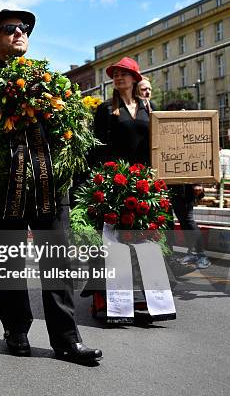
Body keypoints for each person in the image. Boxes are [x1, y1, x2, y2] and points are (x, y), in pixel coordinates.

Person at [0, 9, 102, 363]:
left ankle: (67, 340)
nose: (19, 33)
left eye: (23, 29)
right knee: (12, 263)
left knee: (58, 262)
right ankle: (16, 331)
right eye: (10, 29)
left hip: (50, 184)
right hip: (5, 188)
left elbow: (70, 125)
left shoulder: (49, 77)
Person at [86, 57, 153, 317]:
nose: (118, 77)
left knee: (143, 240)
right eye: (115, 74)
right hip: (113, 181)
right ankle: (102, 296)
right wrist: (103, 178)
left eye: (124, 73)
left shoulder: (148, 107)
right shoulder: (105, 109)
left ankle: (144, 294)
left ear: (135, 78)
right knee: (109, 242)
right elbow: (97, 147)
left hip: (144, 182)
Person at [164, 99, 210, 269]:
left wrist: (197, 183)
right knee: (175, 221)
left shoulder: (192, 133)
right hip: (168, 184)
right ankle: (191, 253)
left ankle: (200, 254)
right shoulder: (167, 134)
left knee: (187, 220)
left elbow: (195, 156)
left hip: (185, 185)